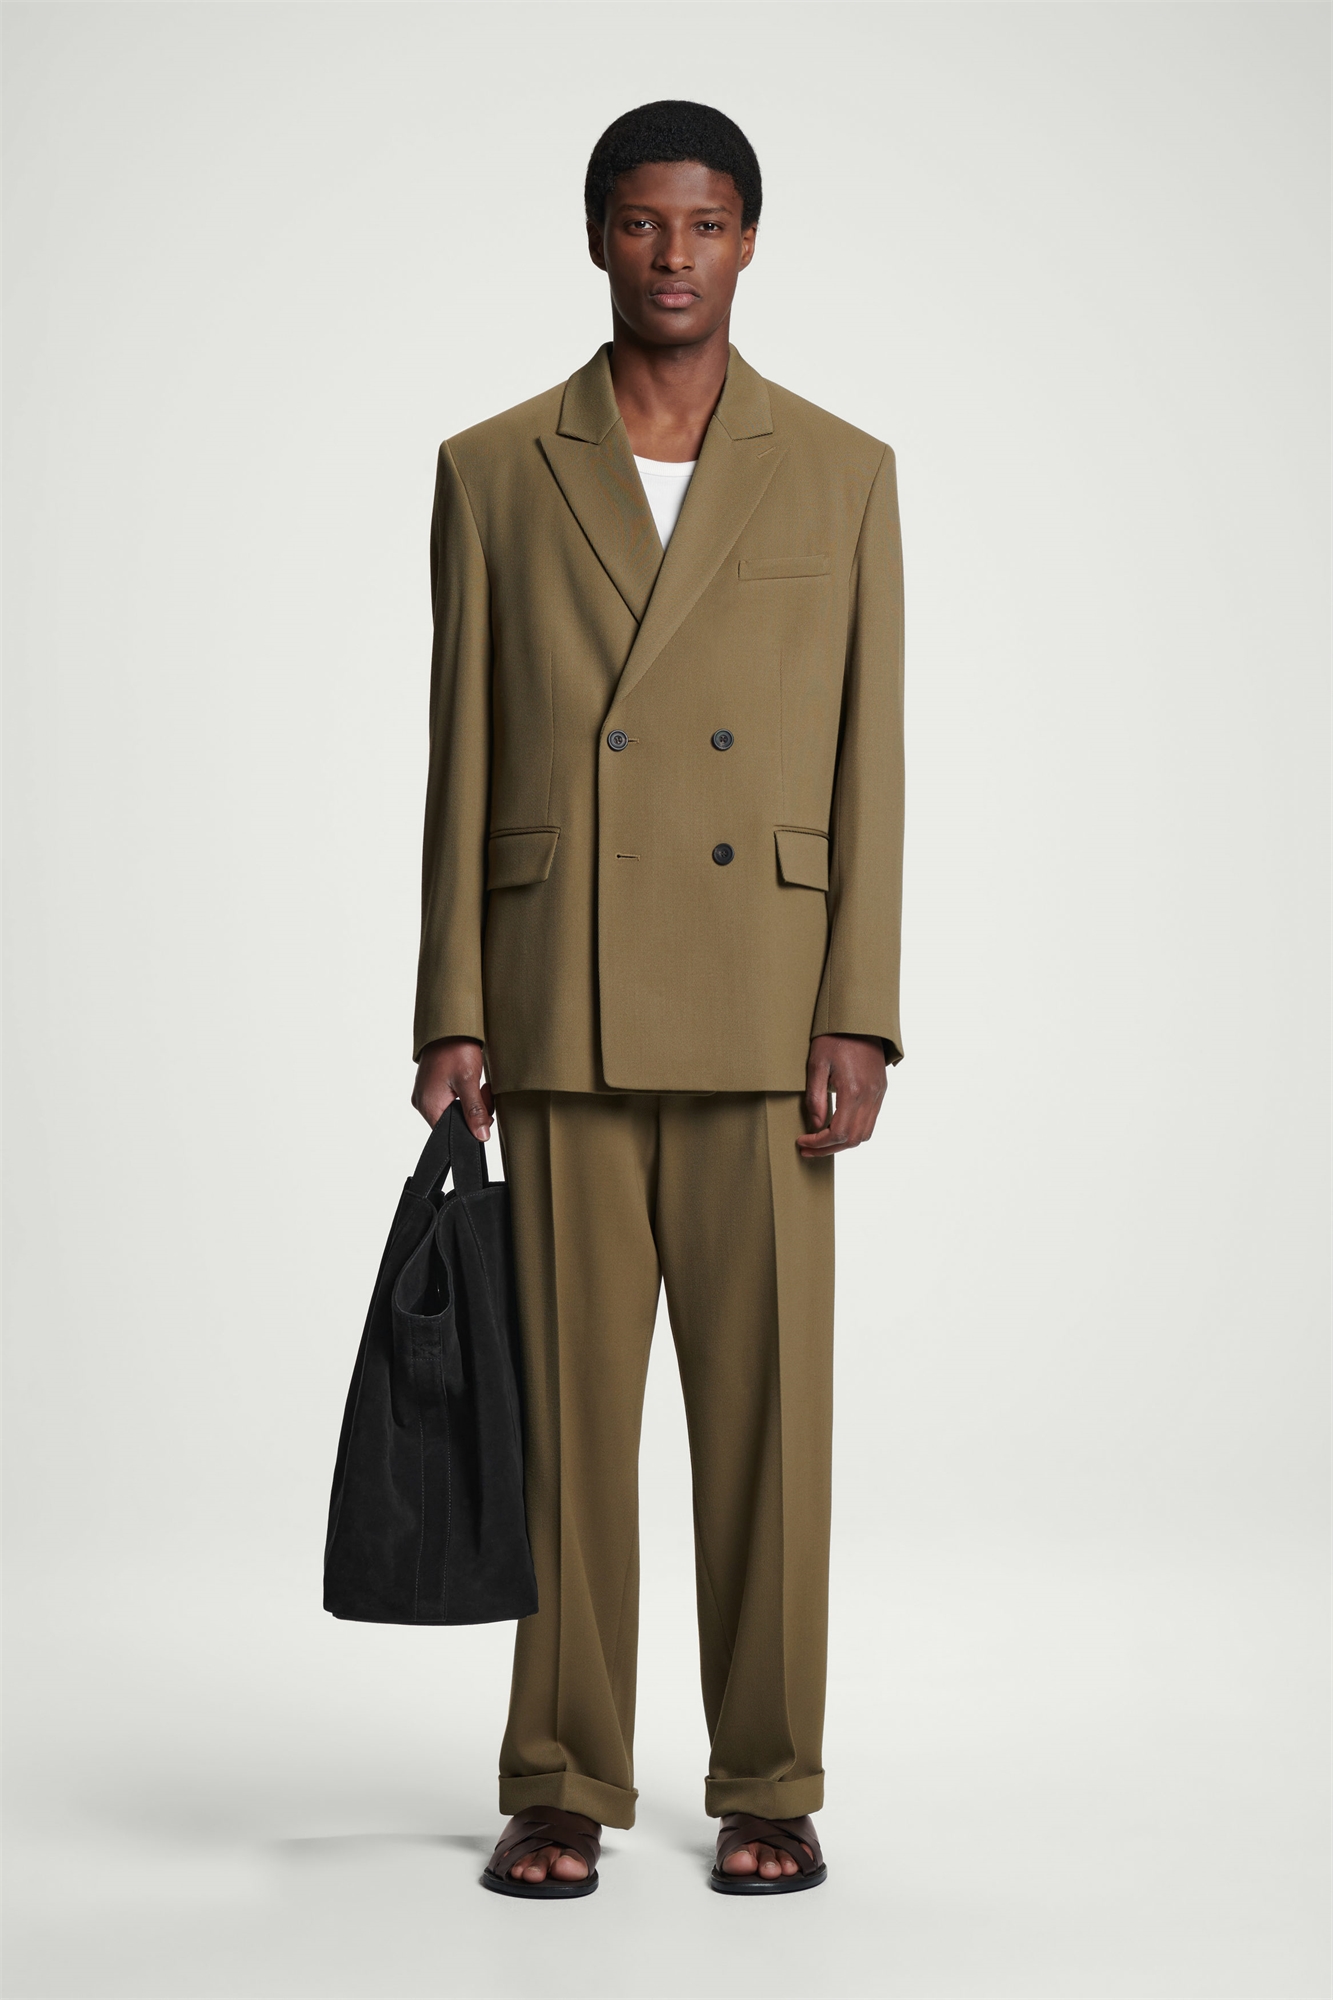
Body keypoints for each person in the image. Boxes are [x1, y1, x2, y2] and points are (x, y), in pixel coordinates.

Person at [411, 99, 904, 1898]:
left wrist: (859, 1007)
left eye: (703, 224)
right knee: (563, 1431)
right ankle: (560, 1779)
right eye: (640, 223)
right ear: (596, 237)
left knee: (769, 1435)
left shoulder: (841, 469)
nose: (672, 256)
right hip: (563, 998)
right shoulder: (492, 467)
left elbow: (869, 759)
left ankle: (769, 1778)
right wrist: (450, 1004)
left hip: (767, 1010)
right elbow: (460, 752)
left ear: (748, 239)